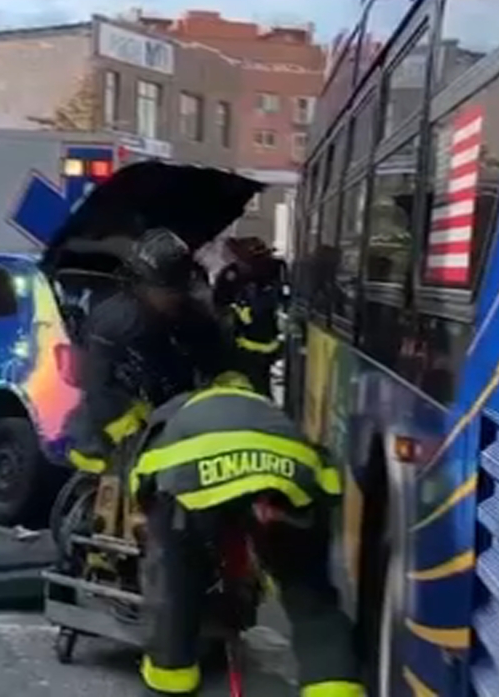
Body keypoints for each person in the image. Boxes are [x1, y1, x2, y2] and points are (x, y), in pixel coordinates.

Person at [130, 351, 360, 696]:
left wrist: (162, 531)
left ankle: (171, 675)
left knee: (175, 579)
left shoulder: (176, 412)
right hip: (288, 484)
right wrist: (294, 520)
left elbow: (145, 483)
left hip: (197, 486)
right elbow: (324, 479)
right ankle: (334, 685)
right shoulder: (269, 413)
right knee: (308, 592)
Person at [66, 230, 217, 475]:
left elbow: (216, 361)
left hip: (170, 421)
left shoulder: (195, 319)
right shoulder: (114, 321)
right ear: (141, 285)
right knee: (124, 488)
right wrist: (126, 427)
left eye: (179, 290)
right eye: (167, 290)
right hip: (108, 425)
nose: (174, 299)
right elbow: (97, 384)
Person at [213, 238, 287, 384]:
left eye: (263, 256)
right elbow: (219, 304)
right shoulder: (230, 275)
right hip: (241, 344)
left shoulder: (277, 269)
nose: (261, 262)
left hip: (269, 338)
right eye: (254, 259)